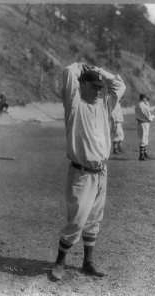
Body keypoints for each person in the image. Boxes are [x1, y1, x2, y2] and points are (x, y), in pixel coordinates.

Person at [51, 62, 126, 280]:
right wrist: (81, 66)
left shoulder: (104, 105)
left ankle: (87, 263)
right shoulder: (75, 104)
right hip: (81, 173)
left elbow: (119, 86)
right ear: (82, 85)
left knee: (94, 219)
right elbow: (67, 73)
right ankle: (59, 263)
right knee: (77, 219)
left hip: (101, 172)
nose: (98, 91)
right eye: (93, 86)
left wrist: (101, 71)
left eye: (100, 87)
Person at [135, 93, 155, 160]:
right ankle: (141, 156)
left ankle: (144, 153)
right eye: (146, 98)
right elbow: (148, 117)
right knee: (143, 139)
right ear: (143, 98)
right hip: (143, 123)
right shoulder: (142, 105)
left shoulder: (139, 104)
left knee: (145, 138)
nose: (147, 99)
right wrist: (154, 116)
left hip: (142, 123)